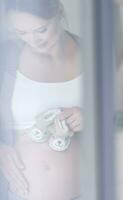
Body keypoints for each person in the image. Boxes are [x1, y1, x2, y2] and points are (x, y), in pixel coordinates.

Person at [0, 0, 82, 199]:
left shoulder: (91, 52)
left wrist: (89, 117)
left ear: (58, 13)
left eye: (41, 29)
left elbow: (113, 119)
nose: (33, 40)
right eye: (22, 32)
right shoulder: (6, 55)